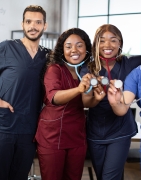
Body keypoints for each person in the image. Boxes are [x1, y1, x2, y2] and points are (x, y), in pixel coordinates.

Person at [80, 24, 141, 180]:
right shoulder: (88, 69)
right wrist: (100, 98)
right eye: (102, 40)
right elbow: (86, 102)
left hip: (120, 131)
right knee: (104, 176)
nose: (107, 45)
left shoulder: (131, 64)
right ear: (95, 43)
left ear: (120, 43)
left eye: (113, 40)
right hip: (97, 131)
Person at [35, 28, 92, 180]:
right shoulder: (54, 69)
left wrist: (98, 97)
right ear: (62, 50)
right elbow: (54, 97)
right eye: (68, 46)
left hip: (77, 136)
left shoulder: (86, 71)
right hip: (52, 136)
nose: (74, 50)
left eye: (79, 45)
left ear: (87, 48)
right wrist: (79, 89)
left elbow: (88, 103)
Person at [0, 5, 48, 180]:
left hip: (30, 130)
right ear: (22, 24)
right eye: (28, 21)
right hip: (4, 125)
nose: (32, 26)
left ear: (45, 26)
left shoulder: (47, 57)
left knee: (19, 176)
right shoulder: (6, 48)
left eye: (37, 22)